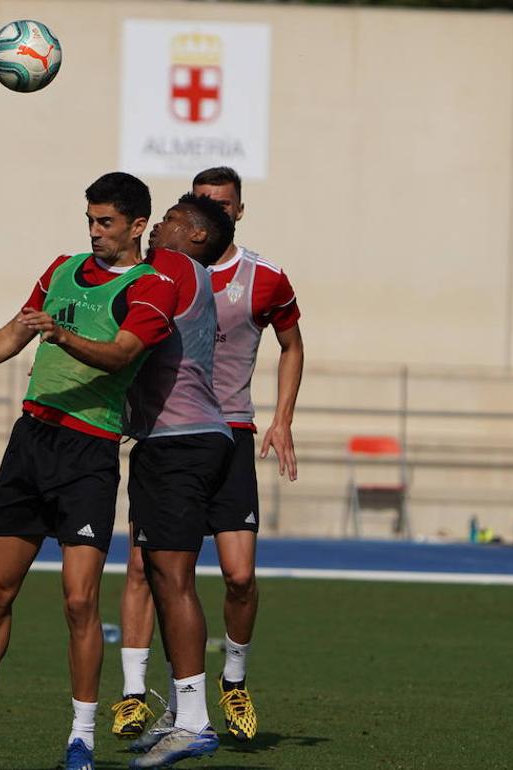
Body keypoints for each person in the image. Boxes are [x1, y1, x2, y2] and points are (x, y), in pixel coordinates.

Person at [0, 172, 177, 770]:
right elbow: (12, 334)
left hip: (88, 454)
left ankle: (80, 739)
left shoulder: (153, 287)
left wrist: (62, 334)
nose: (95, 233)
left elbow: (123, 354)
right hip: (32, 442)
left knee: (78, 602)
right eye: (90, 222)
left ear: (137, 225)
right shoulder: (62, 270)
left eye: (106, 223)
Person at [113, 167, 303, 746]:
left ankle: (232, 683)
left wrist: (283, 418)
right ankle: (136, 694)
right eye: (194, 201)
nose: (202, 208)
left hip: (230, 434)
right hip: (170, 436)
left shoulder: (263, 277)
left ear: (232, 215)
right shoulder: (157, 271)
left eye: (215, 204)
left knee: (239, 576)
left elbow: (292, 343)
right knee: (153, 568)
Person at [121, 194, 237, 768]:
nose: (156, 227)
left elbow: (116, 311)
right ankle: (180, 713)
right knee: (165, 580)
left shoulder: (169, 267)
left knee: (174, 579)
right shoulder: (182, 272)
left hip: (180, 441)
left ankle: (194, 722)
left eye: (166, 219)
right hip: (177, 440)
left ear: (193, 235)